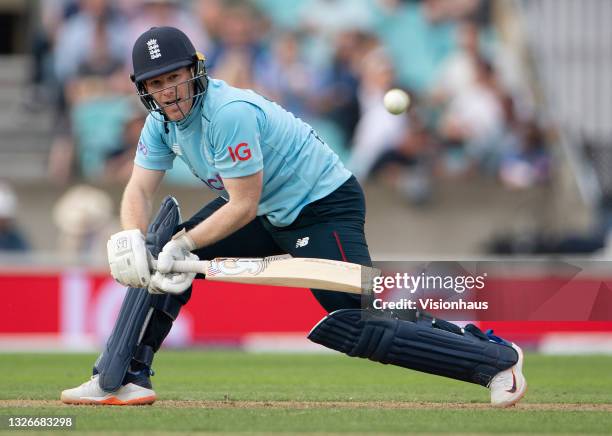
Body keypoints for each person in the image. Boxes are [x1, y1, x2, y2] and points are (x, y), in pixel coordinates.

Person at [60, 27, 526, 407]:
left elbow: (240, 205)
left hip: (323, 206)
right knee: (158, 257)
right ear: (145, 90)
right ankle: (122, 377)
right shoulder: (160, 122)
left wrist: (183, 247)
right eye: (157, 84)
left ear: (196, 72)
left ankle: (493, 358)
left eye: (175, 77)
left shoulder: (229, 113)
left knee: (355, 319)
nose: (169, 91)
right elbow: (139, 187)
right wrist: (133, 238)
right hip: (266, 208)